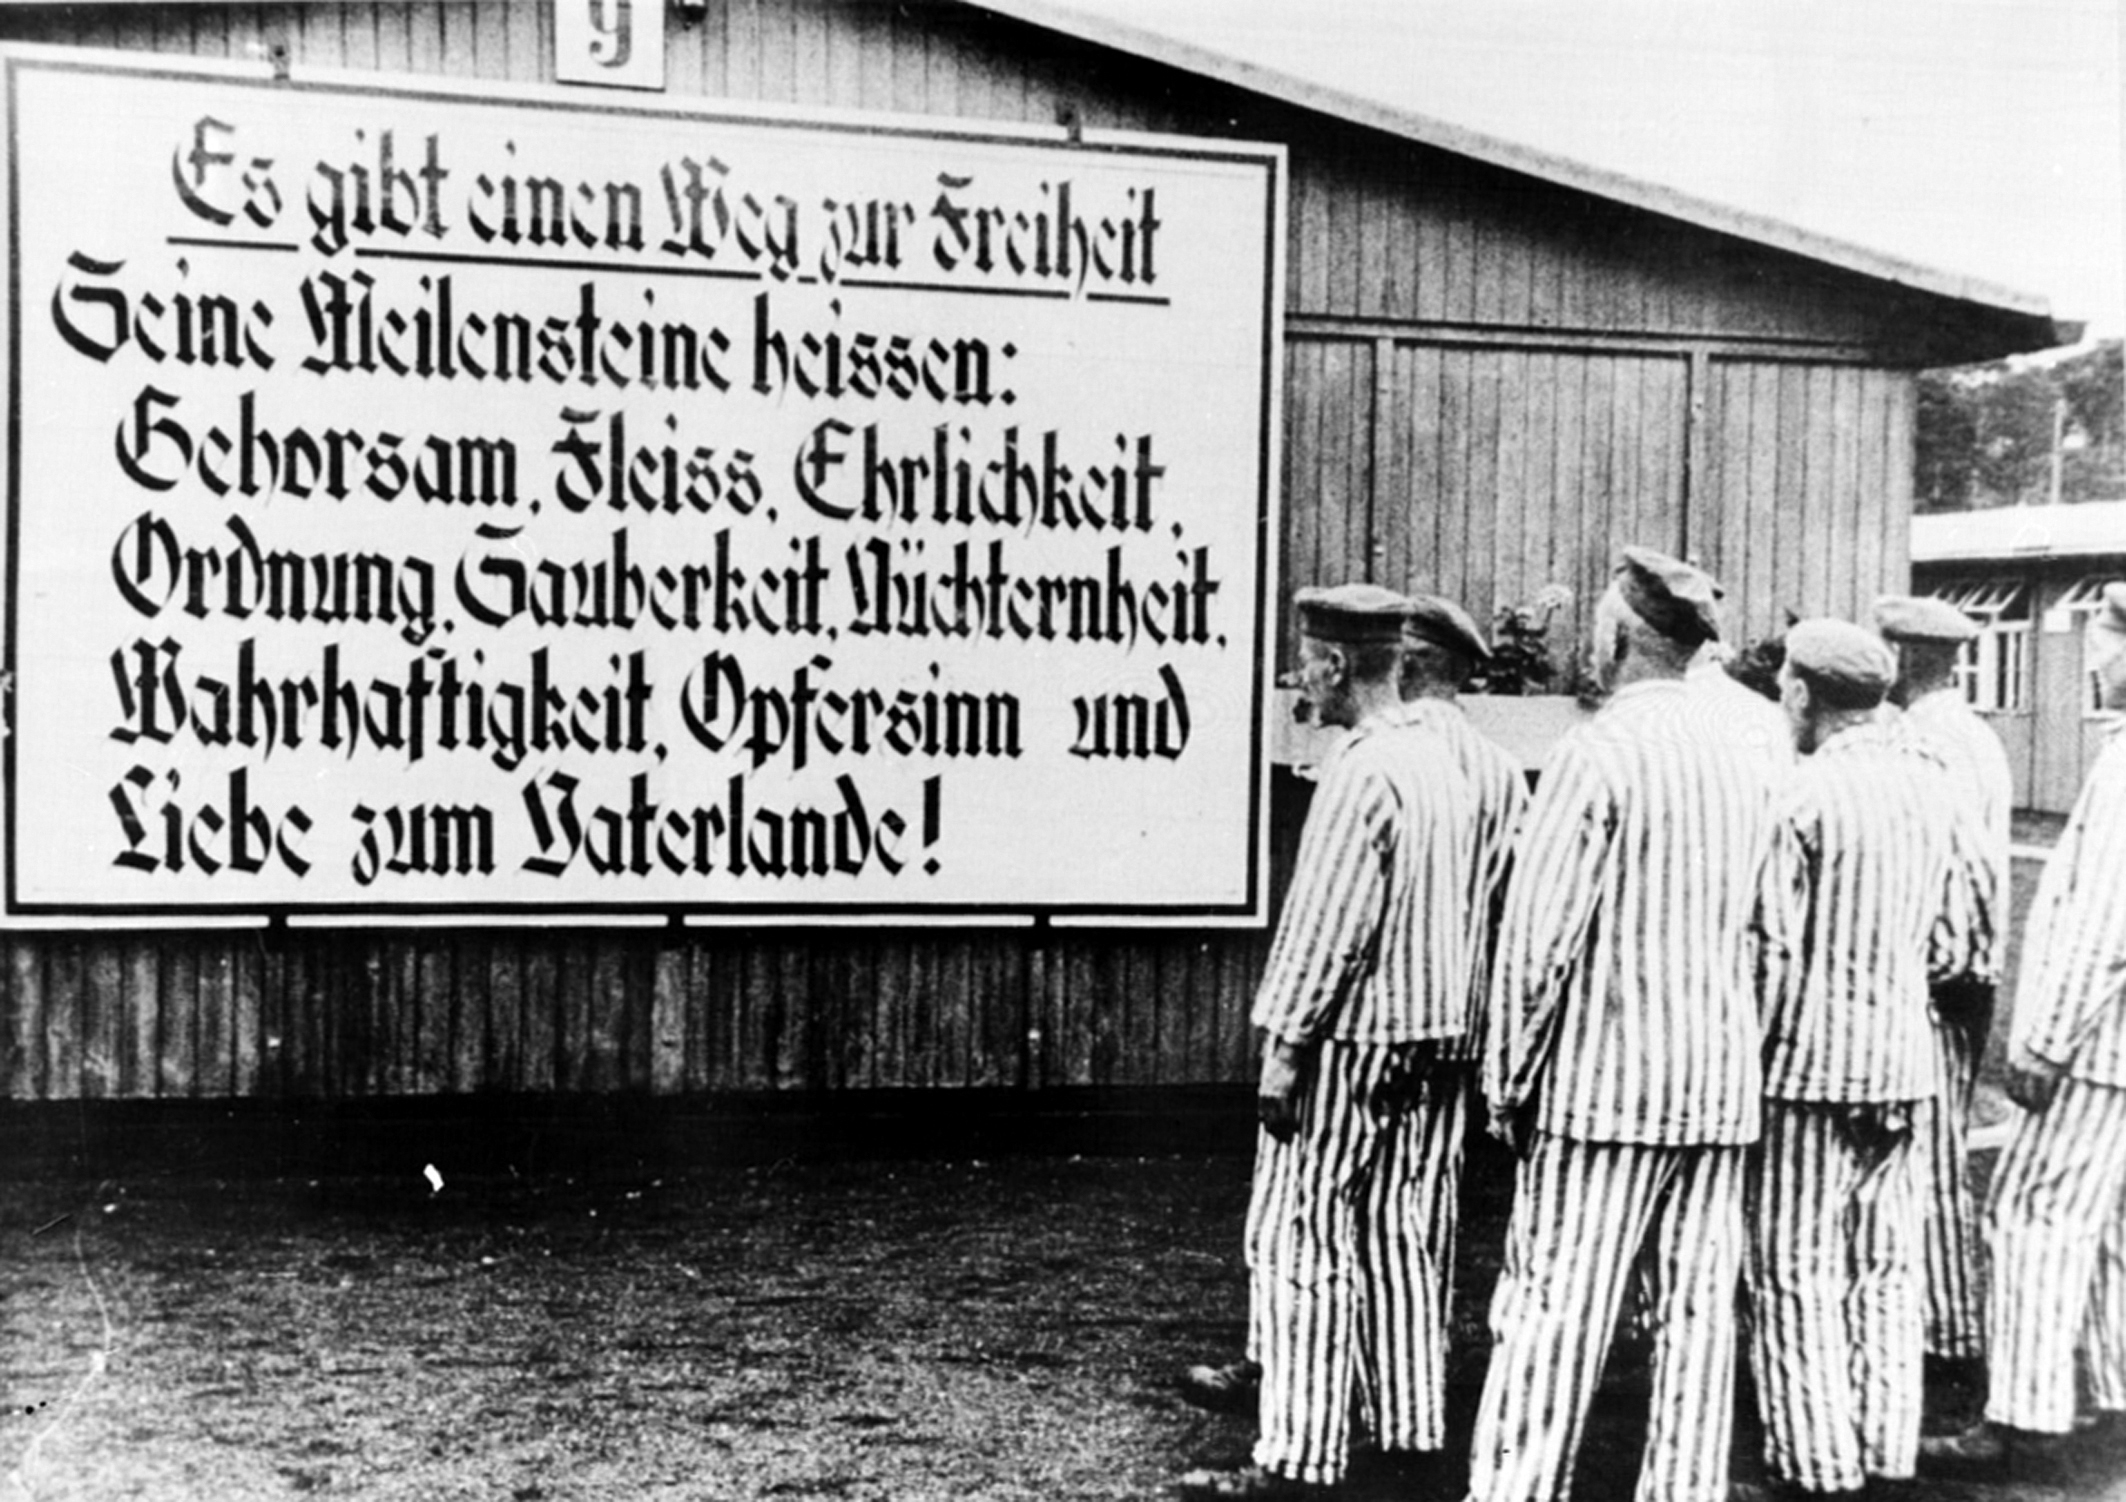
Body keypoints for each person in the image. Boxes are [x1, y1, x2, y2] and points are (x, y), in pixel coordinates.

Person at [1467, 547, 1777, 1502]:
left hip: (1604, 1089)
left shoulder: (1597, 750)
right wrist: (1744, 1053)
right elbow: (1777, 934)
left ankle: (1514, 1492)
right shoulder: (1750, 747)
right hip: (1719, 1088)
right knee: (1696, 1319)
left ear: (1618, 637)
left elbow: (1539, 939)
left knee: (1553, 1308)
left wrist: (1507, 1082)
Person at [1179, 583, 1474, 1501]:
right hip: (1429, 1039)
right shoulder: (1437, 759)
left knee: (1298, 1236)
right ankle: (1408, 1431)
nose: (1301, 678)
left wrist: (1285, 1046)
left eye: (1308, 662)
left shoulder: (1363, 769)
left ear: (1339, 664)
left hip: (1351, 1039)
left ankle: (1297, 1458)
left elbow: (1327, 927)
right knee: (1396, 1236)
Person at [1746, 619, 1994, 1501]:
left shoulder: (1801, 795)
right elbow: (1960, 939)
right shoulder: (1931, 785)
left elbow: (1771, 948)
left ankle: (1814, 1464)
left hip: (1809, 1068)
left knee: (1794, 1265)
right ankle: (1887, 1449)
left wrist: (1757, 1049)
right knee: (1886, 1264)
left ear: (1802, 693)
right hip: (1906, 1061)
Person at [1923, 581, 2126, 1483]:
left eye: (2106, 641)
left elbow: (2105, 924)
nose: (2094, 660)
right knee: (2106, 1224)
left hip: (2097, 1047)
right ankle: (2110, 1402)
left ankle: (2024, 1422)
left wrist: (2044, 1040)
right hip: (2115, 1044)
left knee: (2032, 1213)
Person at [1873, 594, 2011, 1418]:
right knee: (1934, 1150)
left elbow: (1957, 867)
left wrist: (1940, 967)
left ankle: (1949, 1341)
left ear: (1906, 655)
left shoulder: (1932, 740)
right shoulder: (1971, 732)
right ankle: (1944, 1330)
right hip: (1966, 969)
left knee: (1927, 1157)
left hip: (1945, 974)